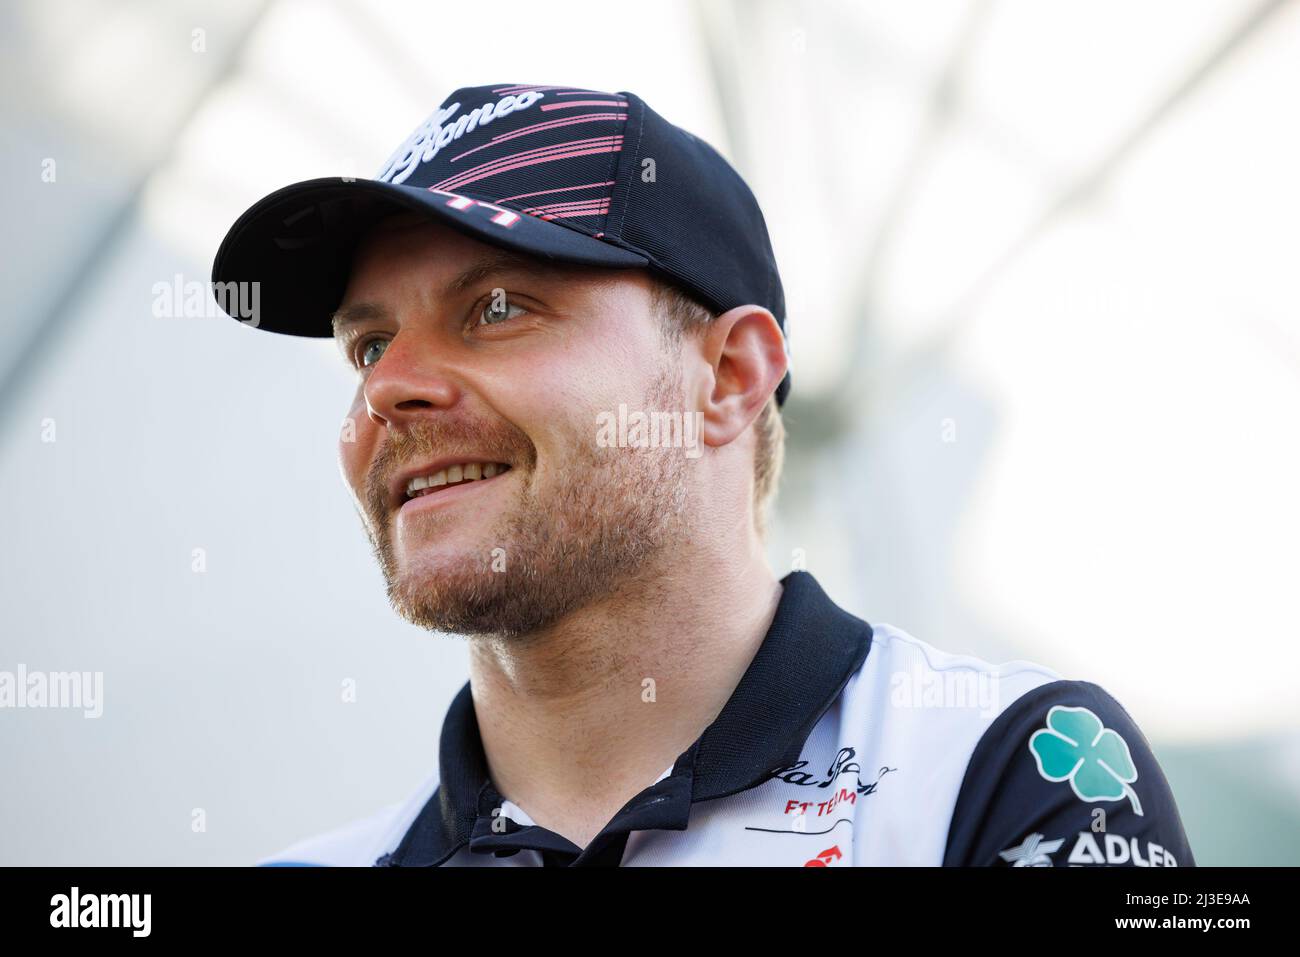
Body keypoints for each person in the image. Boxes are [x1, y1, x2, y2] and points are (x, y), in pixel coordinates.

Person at [212, 83, 1195, 867]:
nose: (392, 389)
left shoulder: (1001, 772)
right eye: (367, 345)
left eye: (498, 307)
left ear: (726, 378)